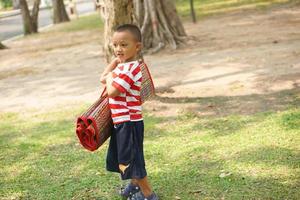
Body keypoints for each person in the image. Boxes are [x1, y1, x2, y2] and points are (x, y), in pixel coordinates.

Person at [100, 24, 159, 200]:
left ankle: (149, 195)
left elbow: (112, 91)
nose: (119, 49)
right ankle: (134, 186)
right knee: (126, 157)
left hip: (129, 122)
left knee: (133, 159)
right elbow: (102, 78)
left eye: (124, 45)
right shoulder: (121, 67)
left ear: (137, 46)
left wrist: (111, 76)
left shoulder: (132, 68)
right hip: (121, 122)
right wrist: (114, 63)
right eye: (115, 45)